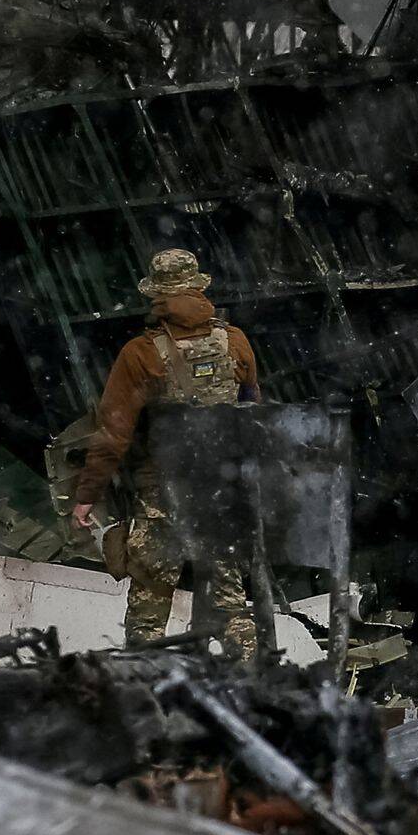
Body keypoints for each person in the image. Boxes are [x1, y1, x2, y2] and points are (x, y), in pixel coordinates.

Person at [71, 247, 265, 658]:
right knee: (230, 597)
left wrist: (88, 495)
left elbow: (113, 433)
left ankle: (147, 684)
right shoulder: (234, 341)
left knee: (150, 601)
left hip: (164, 493)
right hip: (221, 487)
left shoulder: (140, 354)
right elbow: (252, 414)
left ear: (156, 297)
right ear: (198, 288)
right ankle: (251, 681)